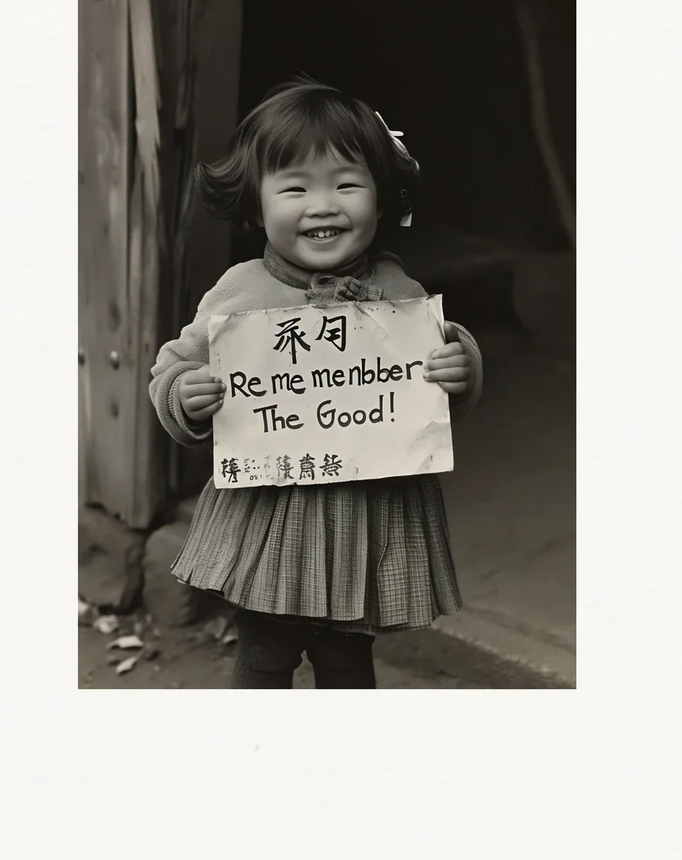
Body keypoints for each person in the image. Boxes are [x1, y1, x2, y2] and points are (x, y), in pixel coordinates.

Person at [148, 76, 483, 688]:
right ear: (256, 204)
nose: (323, 204)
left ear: (381, 200)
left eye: (347, 184)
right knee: (264, 652)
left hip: (366, 519)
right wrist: (185, 394)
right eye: (295, 187)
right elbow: (173, 364)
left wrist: (458, 367)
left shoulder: (400, 294)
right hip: (272, 516)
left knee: (347, 659)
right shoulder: (239, 292)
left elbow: (429, 389)